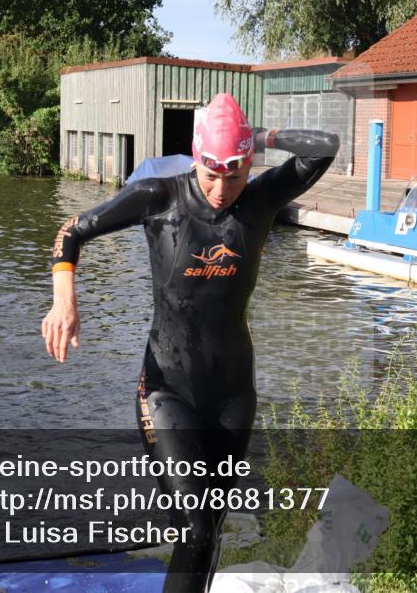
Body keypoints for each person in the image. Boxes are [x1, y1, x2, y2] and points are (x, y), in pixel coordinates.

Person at [42, 92, 339, 592]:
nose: (222, 189)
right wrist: (64, 299)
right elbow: (73, 230)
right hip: (166, 389)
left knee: (208, 530)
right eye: (212, 174)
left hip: (233, 396)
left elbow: (324, 146)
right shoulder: (160, 198)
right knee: (196, 526)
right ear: (196, 159)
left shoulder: (262, 198)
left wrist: (257, 137)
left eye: (235, 174)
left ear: (248, 165)